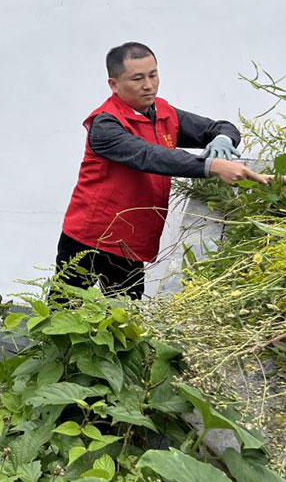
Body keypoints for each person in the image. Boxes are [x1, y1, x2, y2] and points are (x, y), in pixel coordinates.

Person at [57, 42, 269, 299]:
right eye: (137, 79)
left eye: (153, 75)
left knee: (125, 315)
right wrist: (212, 166)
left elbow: (219, 127)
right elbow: (151, 156)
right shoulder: (106, 124)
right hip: (90, 237)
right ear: (114, 84)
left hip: (129, 243)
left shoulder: (163, 113)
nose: (149, 85)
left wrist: (223, 140)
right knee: (63, 311)